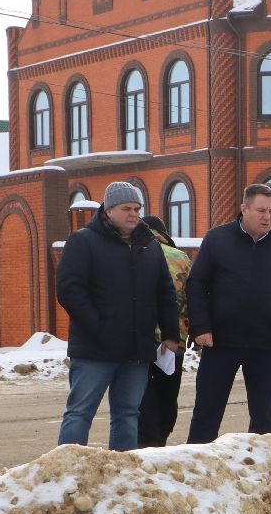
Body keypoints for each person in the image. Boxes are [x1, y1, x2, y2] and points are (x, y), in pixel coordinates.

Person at [55, 181, 182, 451]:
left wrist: (170, 334)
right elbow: (69, 290)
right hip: (94, 349)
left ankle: (121, 473)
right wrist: (99, 327)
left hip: (136, 350)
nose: (134, 214)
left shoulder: (150, 246)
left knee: (127, 414)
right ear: (109, 209)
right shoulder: (84, 241)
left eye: (137, 208)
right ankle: (69, 472)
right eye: (127, 208)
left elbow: (165, 293)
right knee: (80, 412)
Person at [185, 184, 271, 444]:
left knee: (264, 418)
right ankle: (197, 467)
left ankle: (258, 470)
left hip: (265, 345)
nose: (267, 217)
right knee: (207, 412)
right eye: (261, 210)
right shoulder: (217, 239)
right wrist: (200, 327)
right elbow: (196, 285)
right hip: (220, 342)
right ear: (244, 209)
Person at [137, 214, 191, 447]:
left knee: (141, 394)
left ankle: (146, 443)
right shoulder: (180, 258)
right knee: (168, 394)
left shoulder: (132, 252)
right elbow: (194, 299)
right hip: (173, 341)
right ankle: (160, 440)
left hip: (139, 338)